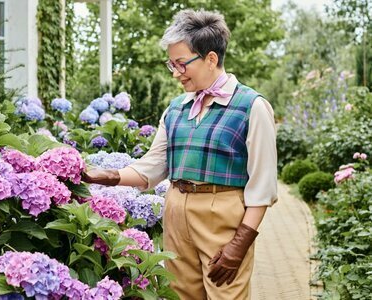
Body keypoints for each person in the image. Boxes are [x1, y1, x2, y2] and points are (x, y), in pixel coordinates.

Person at [83, 9, 277, 300]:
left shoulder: (252, 106)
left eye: (181, 64)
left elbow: (262, 186)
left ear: (211, 59)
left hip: (222, 217)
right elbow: (153, 166)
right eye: (171, 64)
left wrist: (240, 243)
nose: (175, 73)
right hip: (176, 214)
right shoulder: (177, 108)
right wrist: (104, 176)